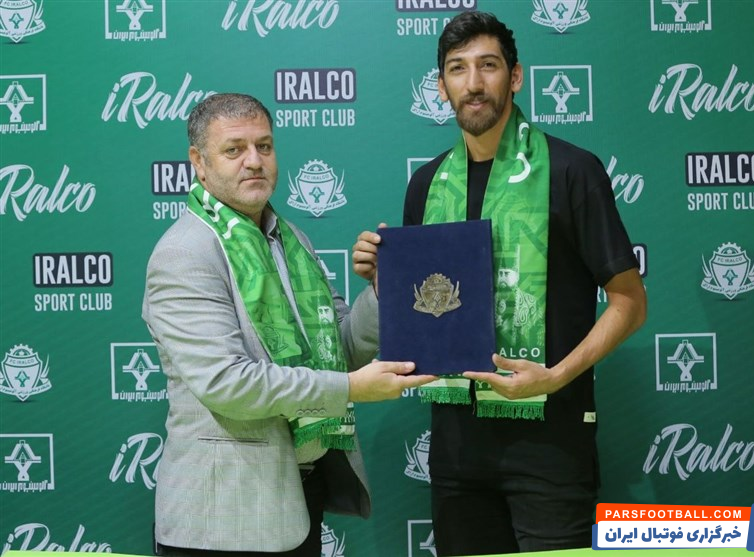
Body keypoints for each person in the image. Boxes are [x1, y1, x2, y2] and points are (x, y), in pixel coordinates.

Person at [353, 12, 647, 556]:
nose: (473, 83)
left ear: (515, 77)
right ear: (441, 87)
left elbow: (630, 302)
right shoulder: (427, 184)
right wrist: (384, 278)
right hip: (457, 448)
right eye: (457, 69)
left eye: (487, 66)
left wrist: (554, 378)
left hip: (550, 443)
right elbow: (425, 312)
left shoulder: (571, 170)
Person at [142, 93, 433, 557]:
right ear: (199, 163)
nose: (254, 161)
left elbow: (340, 348)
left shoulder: (291, 239)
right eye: (234, 149)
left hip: (295, 499)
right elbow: (228, 382)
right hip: (223, 518)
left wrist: (385, 292)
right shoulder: (185, 253)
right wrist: (351, 389)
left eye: (264, 146)